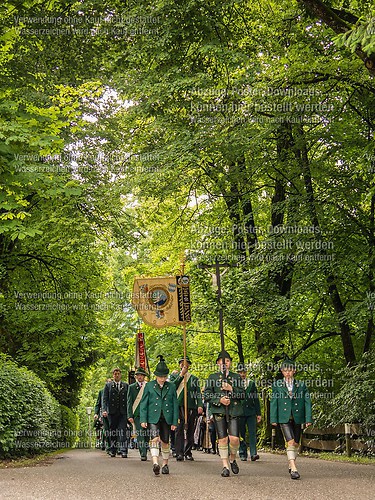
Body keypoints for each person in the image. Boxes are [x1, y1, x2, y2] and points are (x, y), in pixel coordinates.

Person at [203, 350, 245, 477]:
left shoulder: (236, 377)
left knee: (234, 439)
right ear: (217, 363)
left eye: (227, 361)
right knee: (222, 439)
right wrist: (219, 400)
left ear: (230, 363)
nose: (224, 363)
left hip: (233, 411)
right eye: (222, 361)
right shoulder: (212, 377)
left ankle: (232, 459)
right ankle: (225, 466)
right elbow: (207, 395)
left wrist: (231, 389)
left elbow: (243, 394)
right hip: (219, 412)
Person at [270, 358, 312, 480]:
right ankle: (294, 468)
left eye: (290, 370)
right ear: (282, 372)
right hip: (283, 418)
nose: (288, 373)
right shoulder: (277, 385)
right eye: (285, 370)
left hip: (297, 417)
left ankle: (290, 461)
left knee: (296, 443)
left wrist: (308, 418)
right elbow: (274, 402)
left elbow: (307, 402)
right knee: (290, 441)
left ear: (294, 371)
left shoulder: (301, 385)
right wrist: (273, 418)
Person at [140, 355, 178, 475]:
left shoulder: (171, 386)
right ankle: (155, 463)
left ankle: (165, 464)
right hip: (153, 417)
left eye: (164, 376)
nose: (162, 379)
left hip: (167, 417)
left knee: (165, 441)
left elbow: (175, 404)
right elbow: (144, 403)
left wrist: (174, 421)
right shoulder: (149, 386)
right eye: (160, 376)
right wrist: (143, 419)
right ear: (156, 375)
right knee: (155, 439)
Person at [170, 356, 203, 461]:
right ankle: (179, 452)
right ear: (180, 365)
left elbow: (198, 393)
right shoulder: (174, 376)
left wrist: (200, 405)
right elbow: (172, 387)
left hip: (191, 406)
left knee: (190, 429)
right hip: (178, 406)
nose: (184, 365)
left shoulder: (194, 379)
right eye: (182, 363)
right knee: (179, 429)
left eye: (186, 363)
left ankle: (188, 451)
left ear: (189, 365)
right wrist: (181, 375)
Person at [237, 363, 262, 462]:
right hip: (239, 412)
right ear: (238, 373)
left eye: (244, 372)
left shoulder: (251, 384)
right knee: (241, 433)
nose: (242, 374)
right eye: (240, 372)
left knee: (252, 433)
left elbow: (256, 399)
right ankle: (242, 453)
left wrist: (258, 413)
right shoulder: (234, 384)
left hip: (251, 412)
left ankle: (253, 453)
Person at [102, 368, 129, 458]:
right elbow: (105, 399)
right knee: (113, 432)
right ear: (113, 375)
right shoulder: (108, 386)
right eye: (115, 374)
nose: (117, 375)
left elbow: (129, 400)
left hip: (122, 412)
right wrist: (104, 410)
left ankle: (123, 450)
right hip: (112, 412)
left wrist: (129, 412)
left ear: (120, 375)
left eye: (118, 373)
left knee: (122, 431)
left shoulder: (125, 385)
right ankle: (113, 449)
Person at [127, 367, 149, 461]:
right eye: (138, 375)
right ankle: (143, 453)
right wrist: (130, 415)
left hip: (148, 414)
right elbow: (129, 402)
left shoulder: (148, 386)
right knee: (140, 434)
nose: (139, 377)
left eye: (141, 375)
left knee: (147, 434)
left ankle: (145, 448)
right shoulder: (131, 387)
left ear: (144, 376)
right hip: (137, 414)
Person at [94, 378, 111, 452]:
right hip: (103, 414)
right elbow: (98, 404)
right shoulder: (101, 392)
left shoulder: (115, 391)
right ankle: (106, 445)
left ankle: (114, 447)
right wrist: (96, 413)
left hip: (113, 413)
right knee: (106, 430)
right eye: (108, 383)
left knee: (114, 430)